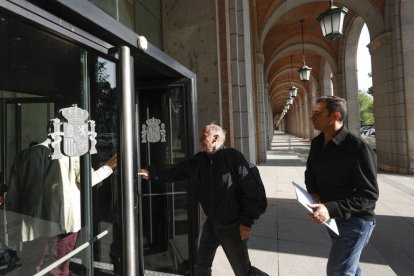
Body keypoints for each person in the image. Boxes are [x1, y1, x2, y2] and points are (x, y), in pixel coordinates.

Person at [138, 123, 268, 276]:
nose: (200, 139)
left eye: (203, 136)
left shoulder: (233, 157)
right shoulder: (199, 160)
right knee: (201, 265)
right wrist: (152, 174)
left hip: (233, 226)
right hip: (212, 224)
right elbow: (176, 171)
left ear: (216, 137)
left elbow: (251, 191)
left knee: (243, 271)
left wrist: (247, 221)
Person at [6, 136, 117, 275]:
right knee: (59, 268)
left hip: (33, 223)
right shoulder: (71, 152)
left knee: (31, 267)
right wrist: (107, 168)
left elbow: (13, 197)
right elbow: (86, 180)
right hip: (65, 223)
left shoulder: (24, 156)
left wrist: (12, 224)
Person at [305, 96, 379, 276]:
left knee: (339, 271)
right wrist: (313, 192)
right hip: (333, 219)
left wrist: (330, 208)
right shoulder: (317, 143)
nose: (312, 117)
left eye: (317, 113)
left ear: (335, 116)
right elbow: (311, 173)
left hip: (356, 222)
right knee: (350, 269)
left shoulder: (358, 148)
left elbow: (368, 195)